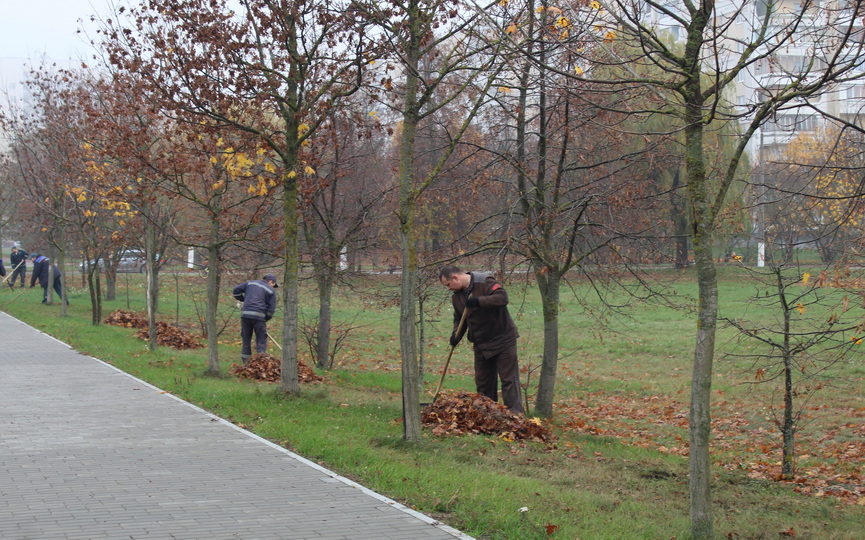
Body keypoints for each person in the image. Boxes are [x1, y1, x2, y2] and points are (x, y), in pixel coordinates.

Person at [439, 264, 524, 414]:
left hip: (503, 339)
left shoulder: (484, 281)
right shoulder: (456, 297)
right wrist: (455, 335)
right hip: (481, 344)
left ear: (455, 277)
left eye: (448, 284)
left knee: (509, 380)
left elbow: (502, 298)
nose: (448, 288)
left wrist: (479, 301)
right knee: (484, 383)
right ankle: (488, 414)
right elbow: (459, 318)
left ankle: (515, 415)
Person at [232, 273, 278, 365]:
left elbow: (236, 290)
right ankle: (260, 363)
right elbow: (271, 309)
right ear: (271, 282)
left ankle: (245, 362)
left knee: (246, 339)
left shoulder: (250, 283)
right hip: (259, 316)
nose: (273, 287)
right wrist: (265, 318)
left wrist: (243, 299)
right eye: (274, 285)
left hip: (245, 315)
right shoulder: (271, 291)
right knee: (261, 339)